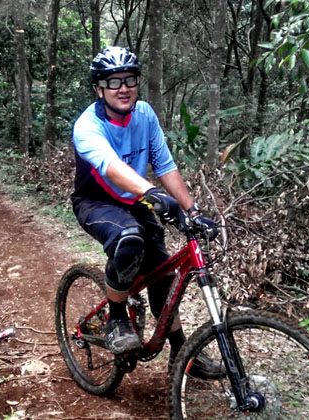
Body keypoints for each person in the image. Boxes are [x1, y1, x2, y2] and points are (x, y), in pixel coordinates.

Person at [71, 46, 223, 378]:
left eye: (129, 79)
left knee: (164, 276)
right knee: (129, 239)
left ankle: (183, 355)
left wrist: (192, 210)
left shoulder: (144, 115)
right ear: (99, 89)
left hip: (134, 200)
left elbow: (164, 165)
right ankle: (116, 319)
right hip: (95, 202)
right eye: (113, 82)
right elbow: (111, 168)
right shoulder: (88, 125)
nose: (123, 88)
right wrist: (151, 193)